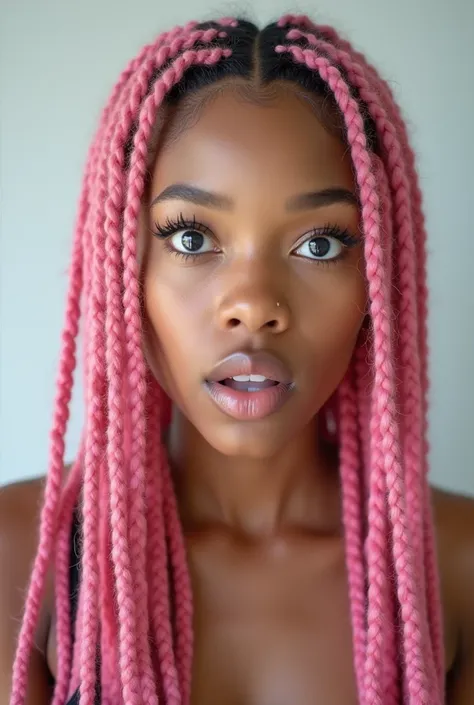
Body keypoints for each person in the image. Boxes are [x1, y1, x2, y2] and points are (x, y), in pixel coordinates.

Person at [1, 13, 473, 705]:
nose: (253, 305)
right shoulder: (18, 560)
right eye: (192, 237)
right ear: (123, 265)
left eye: (319, 243)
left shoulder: (456, 565)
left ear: (377, 282)